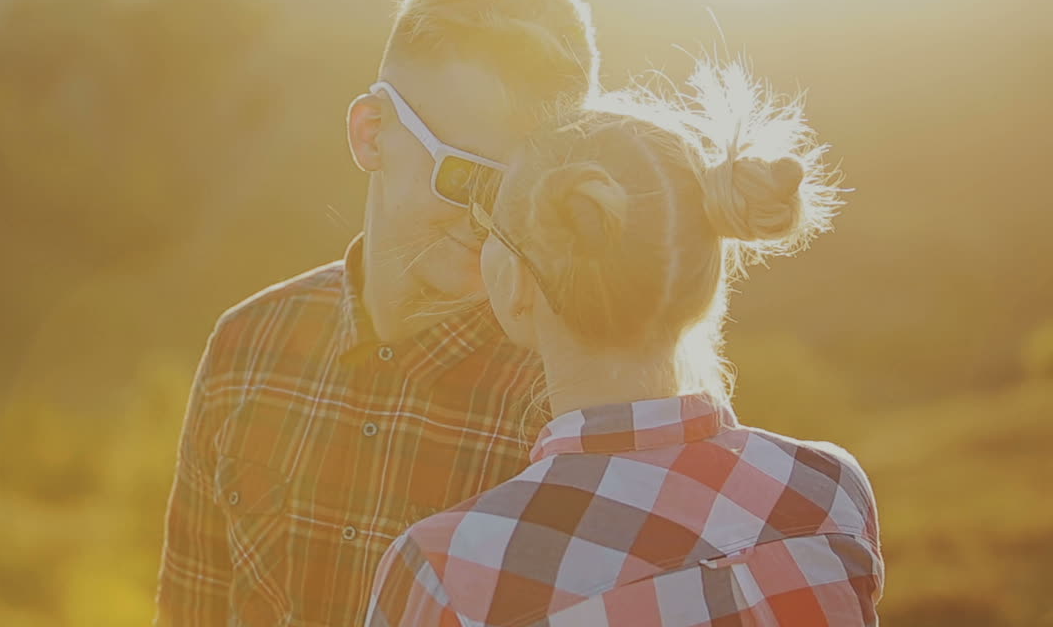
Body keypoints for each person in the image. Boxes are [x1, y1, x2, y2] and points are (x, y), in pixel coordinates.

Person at [154, 0, 601, 626]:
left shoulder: (574, 400)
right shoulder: (246, 350)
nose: (494, 220)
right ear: (372, 133)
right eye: (466, 177)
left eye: (524, 191)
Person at [365, 59, 883, 626]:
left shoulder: (448, 575)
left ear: (516, 283)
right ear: (702, 282)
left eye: (493, 231)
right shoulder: (828, 491)